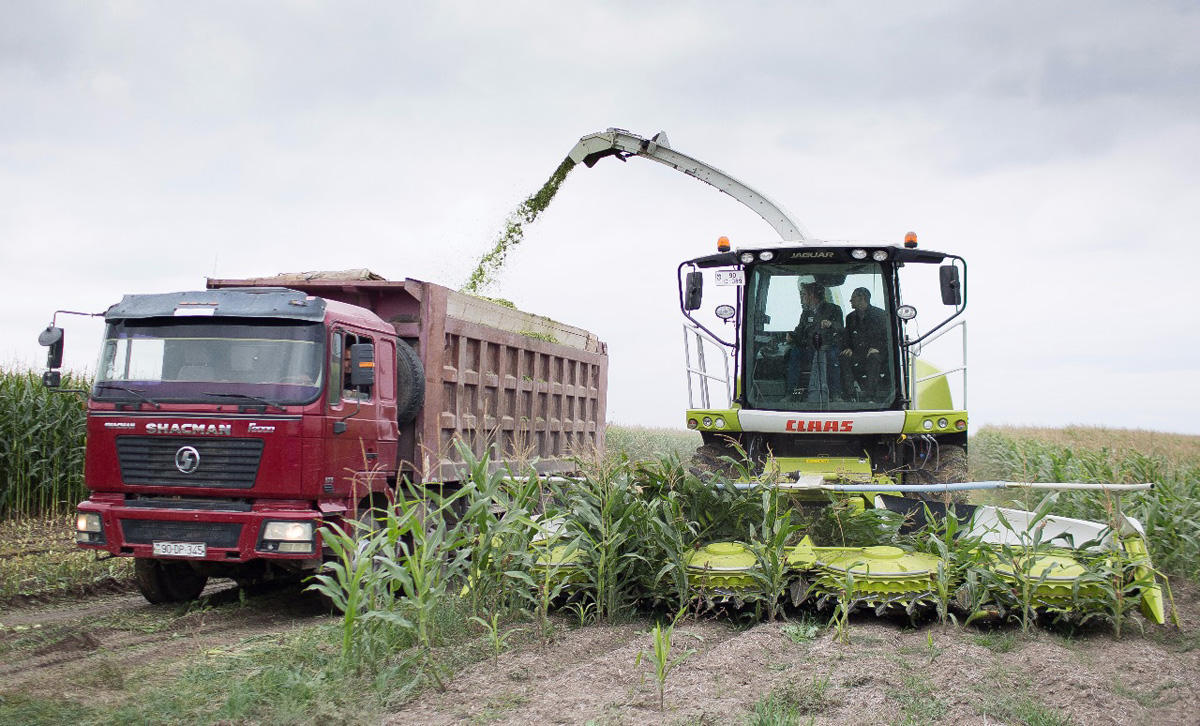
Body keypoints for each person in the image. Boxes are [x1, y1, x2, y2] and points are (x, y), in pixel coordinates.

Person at [785, 282, 844, 401]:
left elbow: (841, 329)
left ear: (812, 295)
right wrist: (791, 335)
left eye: (804, 294)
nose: (802, 298)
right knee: (794, 353)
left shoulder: (834, 309)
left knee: (832, 357)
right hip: (809, 349)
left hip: (827, 347)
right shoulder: (806, 313)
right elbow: (800, 331)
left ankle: (835, 394)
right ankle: (791, 393)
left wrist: (831, 324)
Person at [840, 287, 888, 399]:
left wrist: (878, 348)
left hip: (876, 354)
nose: (850, 301)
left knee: (874, 358)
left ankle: (870, 395)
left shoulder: (881, 316)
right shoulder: (850, 318)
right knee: (844, 358)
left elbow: (887, 338)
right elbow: (846, 337)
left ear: (862, 299)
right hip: (858, 354)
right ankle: (850, 394)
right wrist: (848, 348)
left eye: (853, 298)